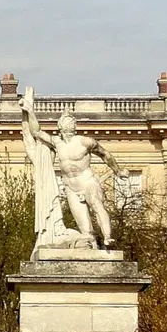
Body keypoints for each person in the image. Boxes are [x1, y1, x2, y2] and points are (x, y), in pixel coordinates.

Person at [20, 88, 121, 248]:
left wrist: (118, 170)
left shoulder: (85, 142)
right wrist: (30, 111)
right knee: (85, 230)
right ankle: (93, 246)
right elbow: (37, 131)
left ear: (75, 126)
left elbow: (105, 154)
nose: (68, 124)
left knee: (96, 204)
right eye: (65, 122)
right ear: (60, 127)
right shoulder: (57, 143)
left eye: (71, 122)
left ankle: (108, 237)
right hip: (71, 188)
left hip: (87, 182)